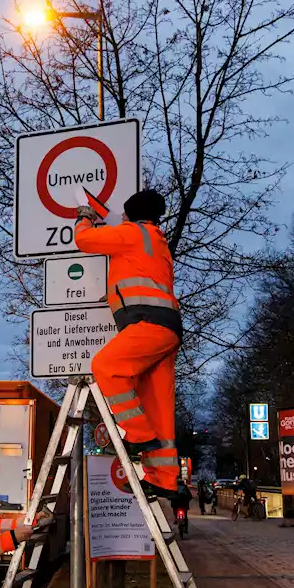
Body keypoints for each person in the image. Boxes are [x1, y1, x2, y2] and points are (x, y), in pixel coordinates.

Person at [74, 189, 182, 499]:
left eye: (124, 213)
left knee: (106, 366)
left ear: (132, 214)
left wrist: (85, 215)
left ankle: (137, 434)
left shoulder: (133, 232)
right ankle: (164, 481)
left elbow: (84, 241)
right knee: (158, 407)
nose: (120, 217)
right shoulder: (155, 240)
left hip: (148, 323)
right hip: (167, 328)